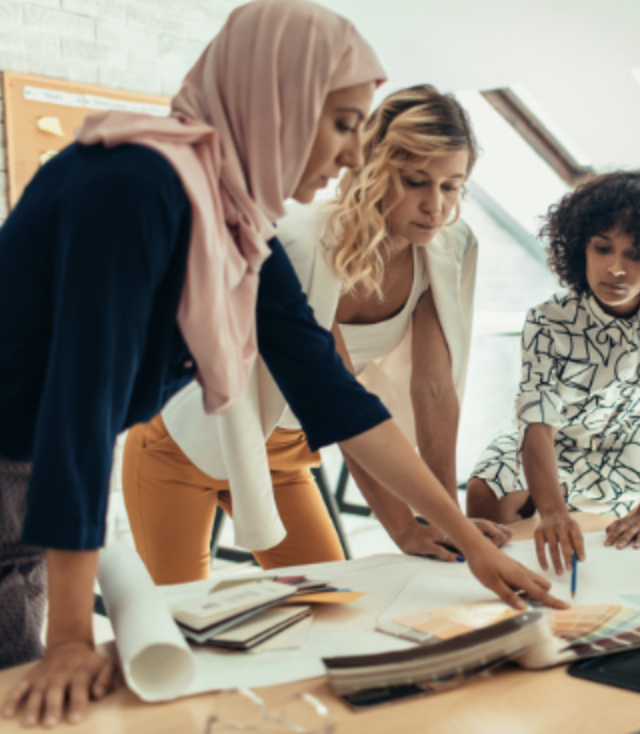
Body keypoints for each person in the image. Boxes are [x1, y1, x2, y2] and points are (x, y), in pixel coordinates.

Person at [0, 1, 561, 727]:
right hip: (26, 457)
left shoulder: (237, 224)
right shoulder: (133, 186)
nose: (355, 156)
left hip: (28, 478)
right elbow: (79, 404)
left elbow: (335, 394)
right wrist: (76, 637)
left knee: (27, 699)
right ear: (275, 99)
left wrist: (465, 539)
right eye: (343, 124)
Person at [122, 84, 509, 584]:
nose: (435, 205)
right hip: (181, 445)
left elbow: (434, 391)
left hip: (284, 454)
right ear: (373, 169)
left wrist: (443, 520)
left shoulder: (447, 246)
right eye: (416, 181)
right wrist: (410, 527)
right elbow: (340, 402)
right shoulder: (302, 241)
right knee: (181, 625)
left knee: (331, 606)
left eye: (451, 186)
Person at [466, 171, 640, 574]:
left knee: (613, 536)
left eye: (635, 254)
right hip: (560, 440)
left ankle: (586, 583)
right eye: (603, 249)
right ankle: (520, 583)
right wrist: (550, 511)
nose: (615, 268)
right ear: (581, 247)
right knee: (483, 494)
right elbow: (537, 421)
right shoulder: (548, 321)